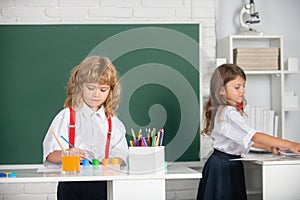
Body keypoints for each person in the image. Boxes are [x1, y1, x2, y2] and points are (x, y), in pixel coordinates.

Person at [197, 63, 300, 200]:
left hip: (226, 164)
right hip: (223, 167)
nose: (243, 91)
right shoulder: (228, 112)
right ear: (221, 90)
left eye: (244, 86)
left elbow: (245, 139)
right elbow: (254, 136)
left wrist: (269, 146)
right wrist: (290, 144)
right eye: (237, 87)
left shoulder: (225, 110)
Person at [43, 56, 129, 200]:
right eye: (91, 88)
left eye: (103, 89)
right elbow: (49, 156)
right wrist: (67, 154)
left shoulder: (113, 122)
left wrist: (114, 160)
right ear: (79, 86)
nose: (96, 94)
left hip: (104, 186)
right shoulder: (66, 117)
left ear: (110, 91)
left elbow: (123, 156)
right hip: (71, 186)